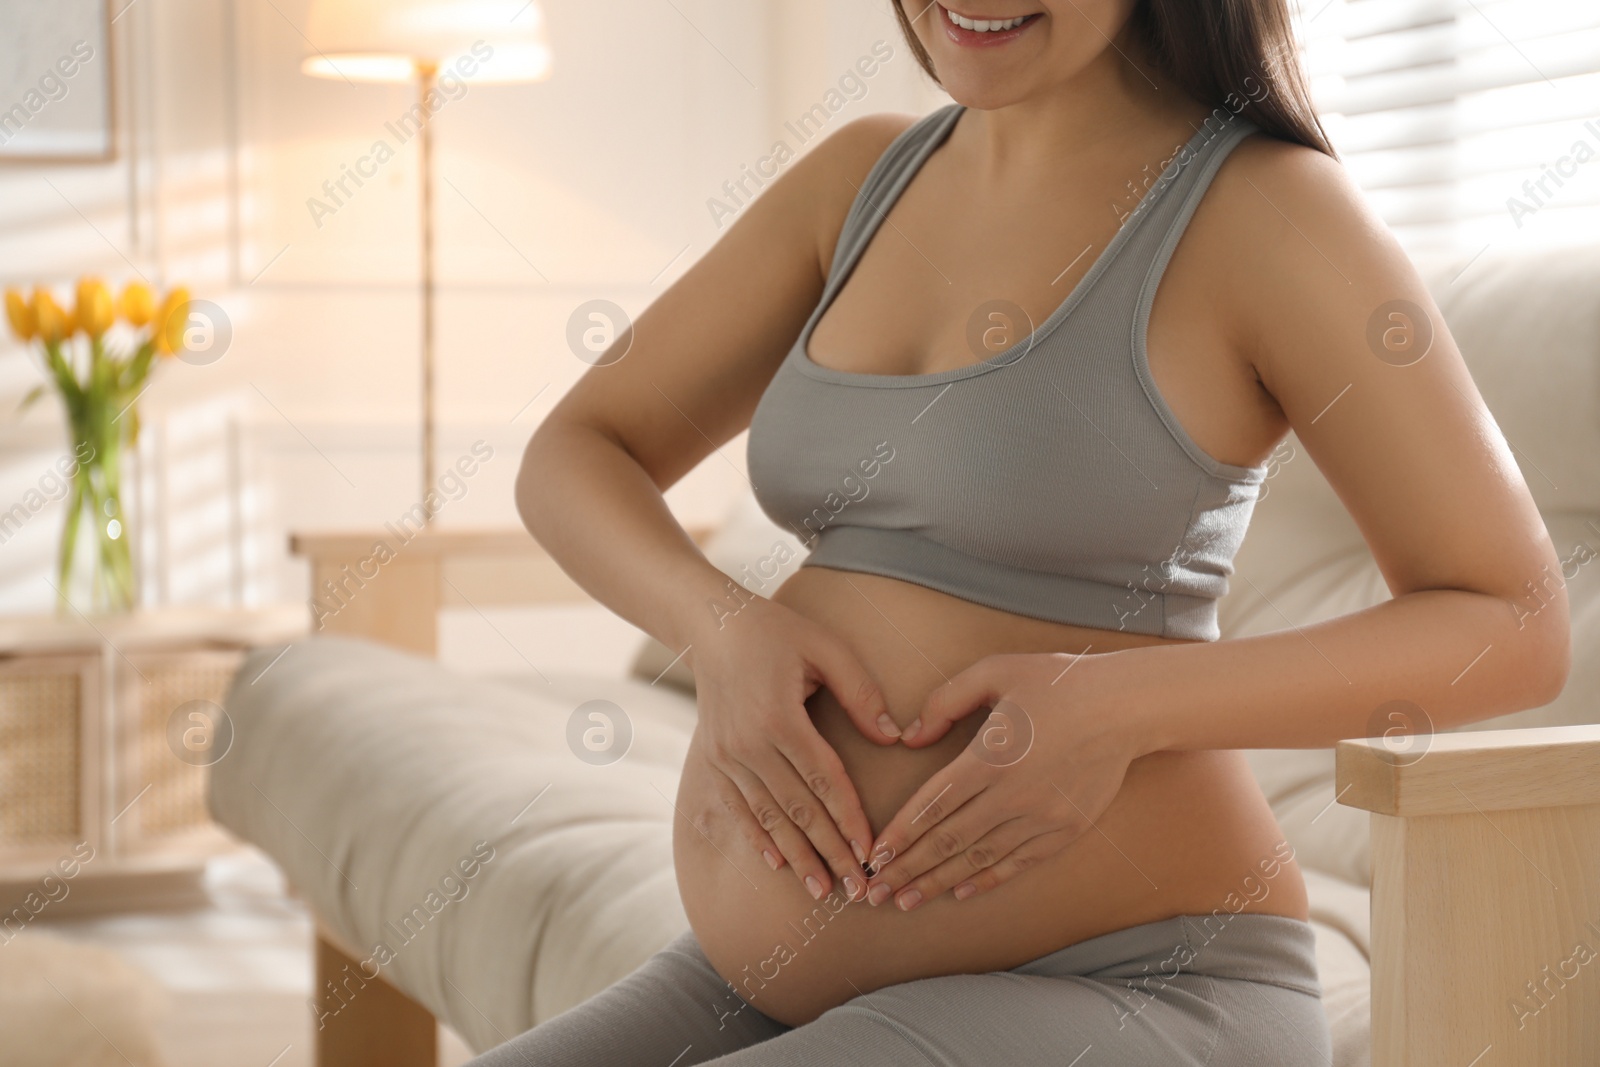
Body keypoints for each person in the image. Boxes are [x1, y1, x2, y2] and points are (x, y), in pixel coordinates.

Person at [469, 1, 1571, 1063]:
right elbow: (576, 452)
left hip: (1140, 992)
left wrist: (1111, 708)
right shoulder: (857, 182)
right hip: (748, 987)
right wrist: (720, 630)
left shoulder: (1272, 213)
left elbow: (1512, 622)